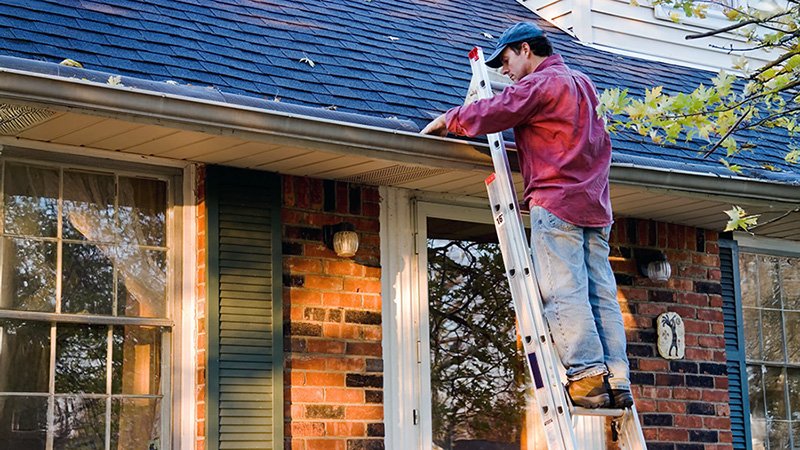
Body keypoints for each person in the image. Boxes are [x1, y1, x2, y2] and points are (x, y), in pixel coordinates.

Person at [421, 21, 632, 409]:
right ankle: (616, 379)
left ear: (525, 50)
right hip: (595, 207)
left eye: (505, 60)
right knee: (600, 293)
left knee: (563, 291)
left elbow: (500, 109)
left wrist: (451, 118)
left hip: (558, 205)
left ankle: (586, 378)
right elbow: (591, 148)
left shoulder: (541, 84)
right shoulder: (584, 84)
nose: (503, 71)